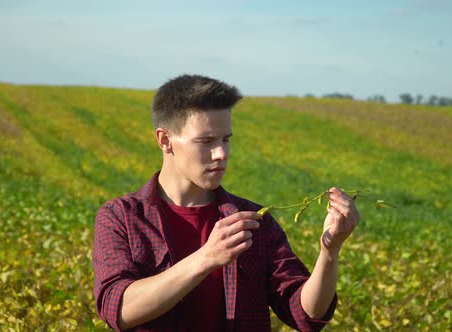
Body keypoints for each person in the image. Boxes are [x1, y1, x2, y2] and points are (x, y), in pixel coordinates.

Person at [92, 74, 360, 332]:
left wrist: (329, 251)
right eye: (206, 141)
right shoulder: (121, 217)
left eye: (226, 140)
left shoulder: (255, 220)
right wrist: (206, 258)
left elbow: (305, 314)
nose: (221, 153)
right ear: (165, 141)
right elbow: (119, 310)